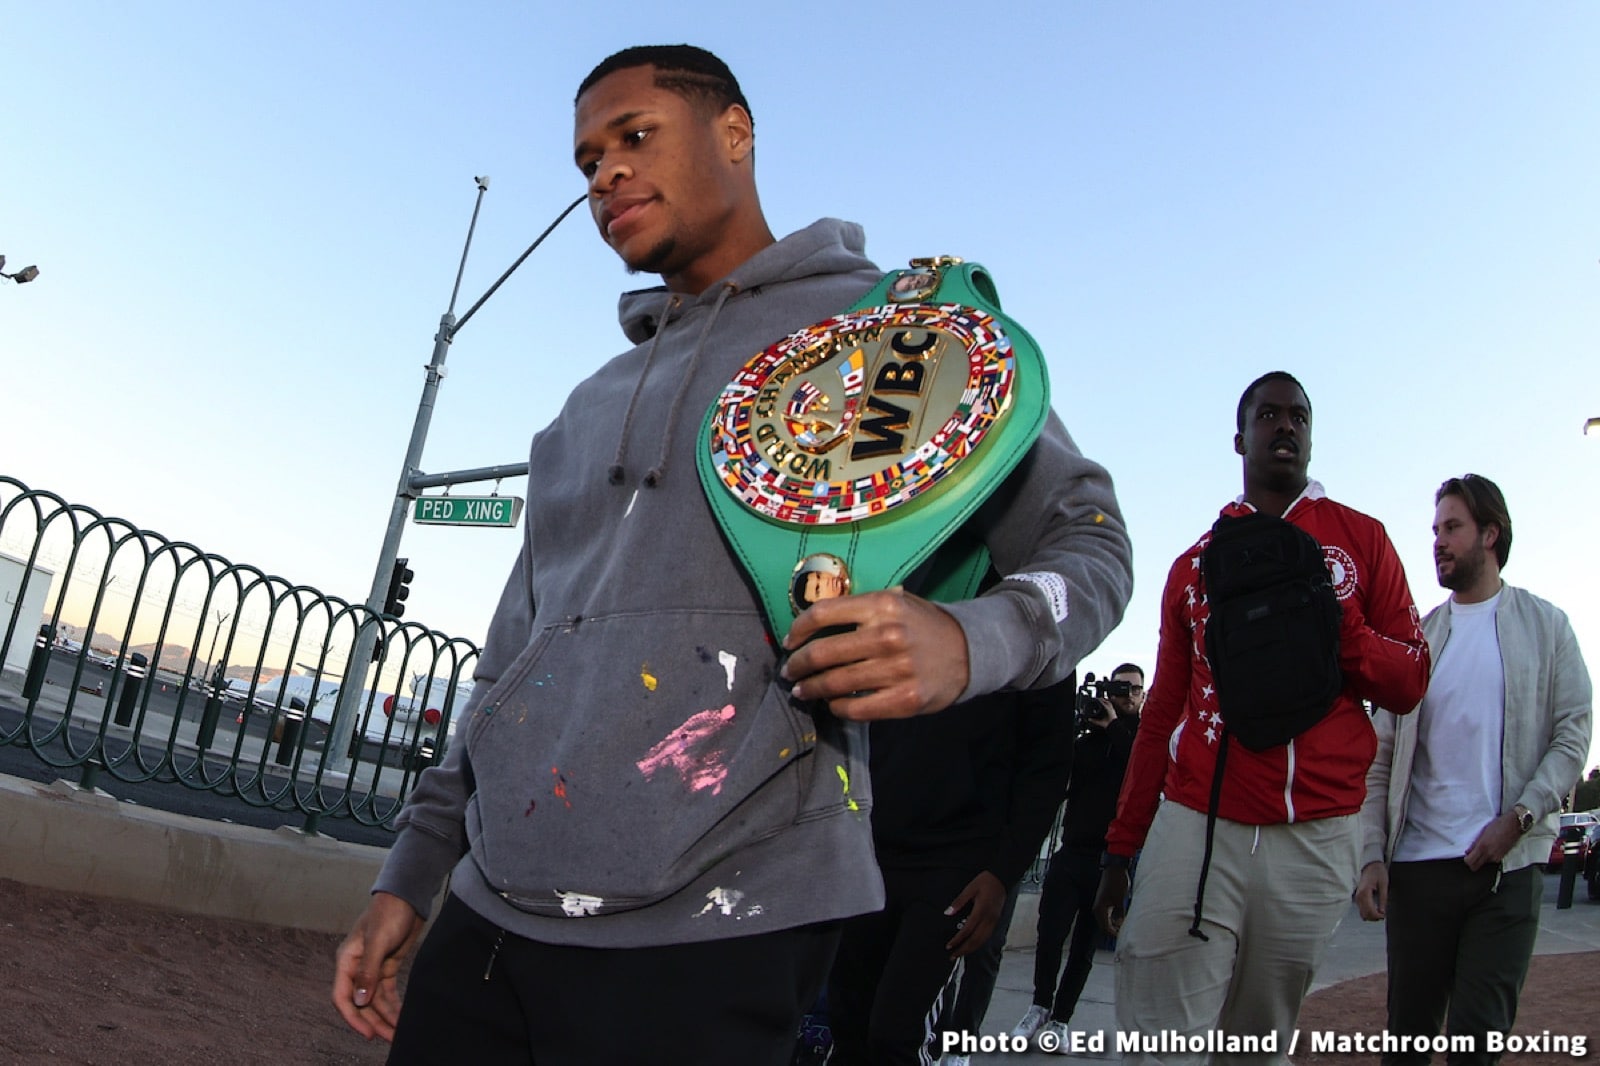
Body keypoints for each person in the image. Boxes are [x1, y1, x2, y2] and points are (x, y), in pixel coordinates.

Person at [331, 44, 1133, 1066]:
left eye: (635, 137)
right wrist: (412, 868)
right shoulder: (583, 411)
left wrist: (969, 641)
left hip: (715, 932)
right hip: (490, 919)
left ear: (736, 135)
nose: (605, 175)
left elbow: (1091, 540)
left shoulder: (887, 335)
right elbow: (508, 662)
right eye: (585, 161)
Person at [1096, 371, 1429, 1063]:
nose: (1287, 427)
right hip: (1200, 825)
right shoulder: (1196, 565)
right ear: (1240, 437)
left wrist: (1335, 624)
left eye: (1299, 417)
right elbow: (1161, 711)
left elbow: (1410, 679)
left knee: (1257, 1042)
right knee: (1159, 1039)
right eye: (1269, 415)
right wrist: (1124, 844)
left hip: (1316, 836)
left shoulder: (1360, 542)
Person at [1355, 474, 1592, 1064]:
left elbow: (1573, 735)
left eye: (1452, 527)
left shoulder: (1546, 627)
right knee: (1406, 1046)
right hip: (1418, 874)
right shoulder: (1417, 640)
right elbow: (1378, 757)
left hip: (1506, 871)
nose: (1438, 540)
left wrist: (1521, 816)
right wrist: (1371, 854)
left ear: (1491, 533)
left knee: (1477, 1047)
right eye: (1435, 529)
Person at [826, 676, 1076, 1065]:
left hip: (957, 867)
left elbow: (1047, 764)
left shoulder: (1042, 627)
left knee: (896, 1035)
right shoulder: (896, 616)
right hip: (869, 850)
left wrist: (1002, 873)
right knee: (848, 1026)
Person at [1011, 663, 1143, 1053]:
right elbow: (1057, 775)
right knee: (1050, 933)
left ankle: (1061, 1020)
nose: (1125, 696)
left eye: (1133, 689)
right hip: (1071, 852)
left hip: (1111, 862)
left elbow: (1139, 768)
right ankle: (1039, 1005)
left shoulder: (1138, 740)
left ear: (1142, 694)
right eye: (1119, 688)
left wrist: (1115, 726)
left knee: (1085, 946)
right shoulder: (1088, 740)